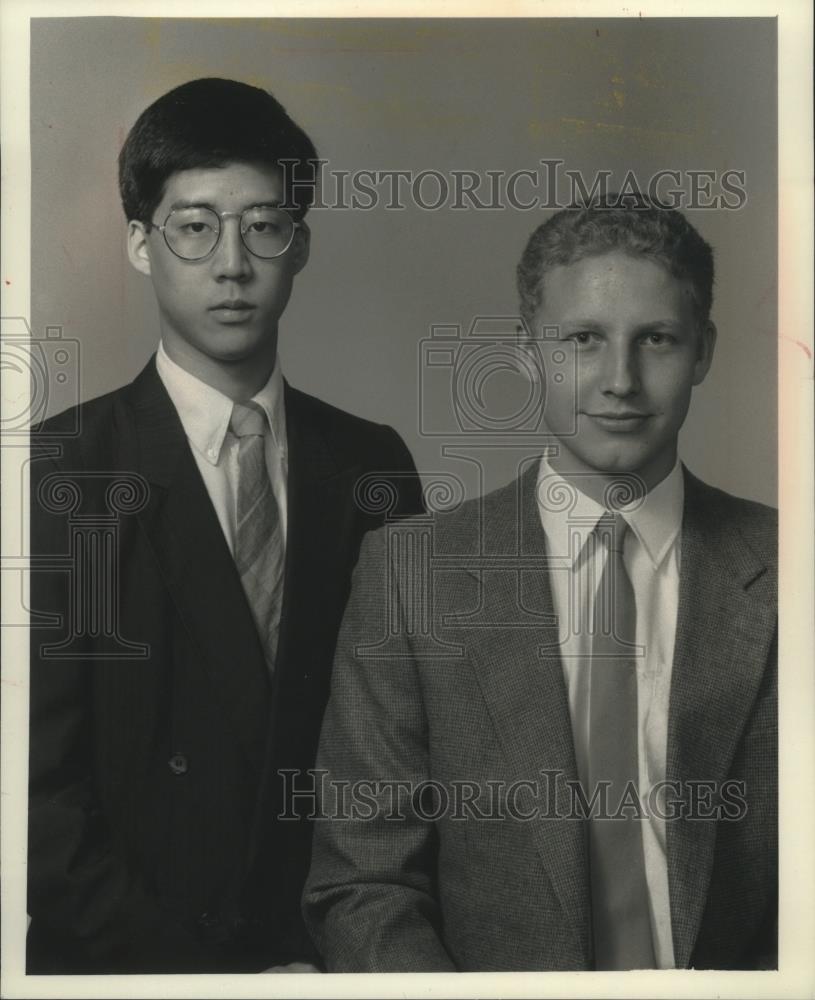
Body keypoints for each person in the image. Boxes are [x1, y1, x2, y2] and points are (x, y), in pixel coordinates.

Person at [303, 194, 778, 971]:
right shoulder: (412, 575)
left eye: (654, 339)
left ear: (702, 351)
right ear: (528, 353)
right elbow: (362, 881)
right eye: (582, 339)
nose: (618, 380)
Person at [27, 77, 423, 974]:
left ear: (301, 244)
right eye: (195, 226)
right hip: (125, 966)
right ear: (139, 243)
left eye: (264, 225)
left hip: (329, 956)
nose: (233, 263)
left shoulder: (372, 468)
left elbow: (398, 761)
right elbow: (33, 799)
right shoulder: (59, 471)